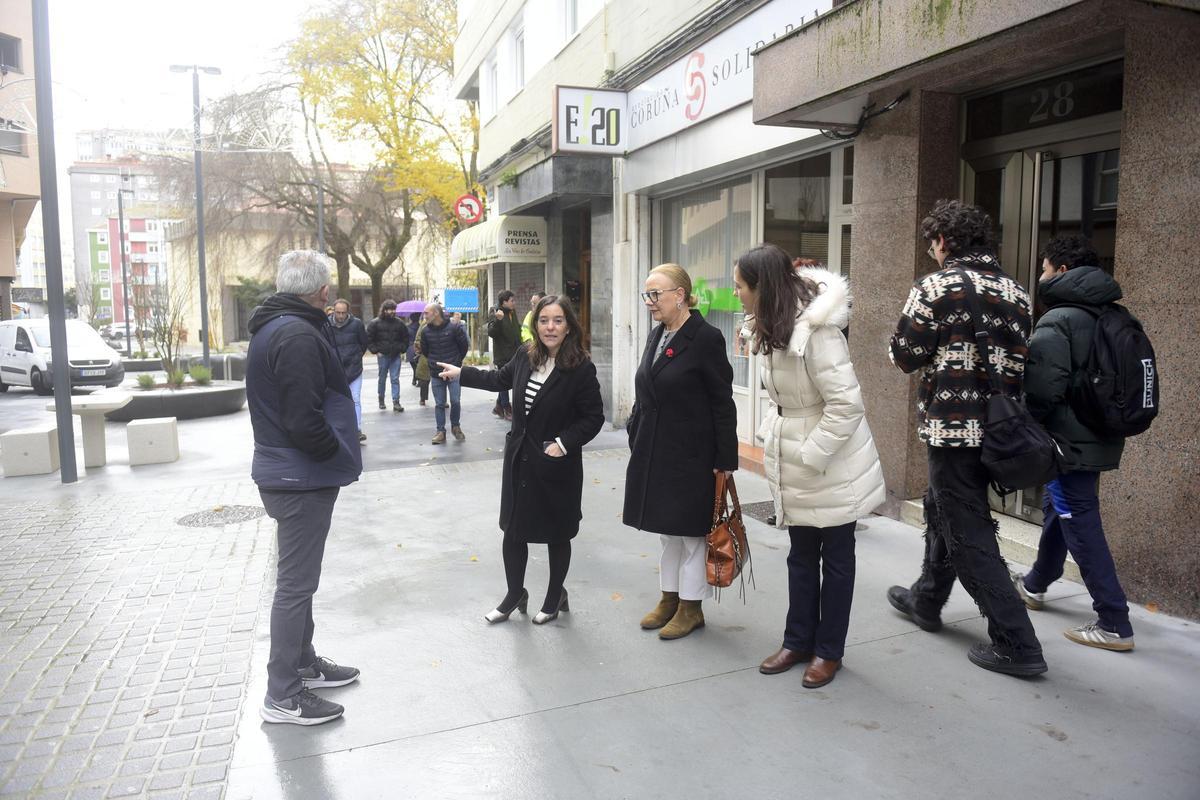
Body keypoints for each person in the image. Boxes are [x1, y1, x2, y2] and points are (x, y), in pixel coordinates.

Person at [886, 199, 1047, 677]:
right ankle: (927, 599)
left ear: (943, 241)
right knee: (943, 510)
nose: (932, 252)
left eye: (932, 243)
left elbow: (907, 354)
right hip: (1000, 432)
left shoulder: (936, 286)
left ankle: (1017, 642)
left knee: (968, 534)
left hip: (953, 429)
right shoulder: (1017, 292)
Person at [733, 244, 886, 688]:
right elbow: (784, 400)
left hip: (830, 465)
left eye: (741, 285)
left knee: (836, 559)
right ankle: (797, 641)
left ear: (763, 287)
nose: (737, 293)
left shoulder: (818, 332)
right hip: (797, 458)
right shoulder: (770, 326)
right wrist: (774, 434)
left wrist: (811, 452)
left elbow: (846, 404)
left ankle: (828, 651)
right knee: (800, 556)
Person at [246, 250, 363, 726]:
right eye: (329, 288)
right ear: (321, 293)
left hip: (291, 473)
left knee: (301, 579)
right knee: (295, 585)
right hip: (299, 476)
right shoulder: (295, 334)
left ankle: (303, 663)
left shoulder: (279, 325)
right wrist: (337, 450)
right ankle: (283, 695)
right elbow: (302, 419)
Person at [438, 296, 604, 624]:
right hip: (520, 460)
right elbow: (499, 379)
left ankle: (555, 595)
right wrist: (461, 373)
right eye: (544, 320)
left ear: (569, 325)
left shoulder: (580, 366)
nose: (550, 327)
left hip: (556, 463)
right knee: (514, 531)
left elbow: (593, 417)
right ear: (535, 324)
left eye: (557, 320)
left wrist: (562, 444)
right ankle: (515, 594)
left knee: (558, 533)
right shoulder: (525, 355)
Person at [1012, 234, 1134, 652]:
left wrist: (1027, 427)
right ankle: (1036, 583)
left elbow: (1044, 388)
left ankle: (1114, 620)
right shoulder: (1114, 314)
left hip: (1067, 439)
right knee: (1058, 507)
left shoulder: (1059, 318)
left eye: (1044, 268)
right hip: (1101, 433)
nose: (1041, 275)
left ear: (1061, 271)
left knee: (1078, 517)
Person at [624, 264, 738, 641]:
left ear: (681, 294)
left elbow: (722, 402)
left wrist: (725, 461)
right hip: (655, 450)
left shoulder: (705, 338)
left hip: (693, 455)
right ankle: (669, 598)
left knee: (691, 536)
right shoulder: (658, 334)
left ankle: (692, 608)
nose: (650, 302)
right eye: (647, 295)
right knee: (667, 534)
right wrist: (634, 429)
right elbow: (647, 389)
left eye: (656, 294)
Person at [419, 303, 470, 444]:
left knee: (455, 401)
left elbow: (464, 346)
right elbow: (425, 350)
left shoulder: (454, 328)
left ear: (436, 313)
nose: (424, 316)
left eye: (426, 313)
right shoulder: (425, 331)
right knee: (440, 404)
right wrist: (433, 363)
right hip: (436, 373)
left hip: (453, 371)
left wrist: (457, 363)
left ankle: (456, 427)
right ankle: (440, 431)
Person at [328, 299, 369, 442]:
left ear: (348, 312)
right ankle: (338, 428)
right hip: (335, 368)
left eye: (343, 313)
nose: (340, 316)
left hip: (354, 367)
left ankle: (357, 429)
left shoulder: (356, 324)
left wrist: (356, 356)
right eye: (338, 312)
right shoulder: (326, 325)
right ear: (333, 311)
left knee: (355, 398)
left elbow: (364, 343)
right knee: (336, 399)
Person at [366, 299, 409, 413]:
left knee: (395, 378)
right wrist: (376, 351)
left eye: (394, 309)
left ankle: (396, 401)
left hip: (395, 355)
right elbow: (369, 338)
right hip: (383, 355)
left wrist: (402, 349)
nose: (392, 312)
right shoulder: (375, 323)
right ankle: (381, 399)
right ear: (384, 310)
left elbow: (405, 338)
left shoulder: (399, 323)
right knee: (382, 378)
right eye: (390, 309)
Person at [487, 290, 522, 420]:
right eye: (512, 301)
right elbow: (491, 332)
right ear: (504, 302)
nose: (514, 303)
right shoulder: (495, 312)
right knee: (504, 381)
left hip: (514, 353)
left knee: (507, 381)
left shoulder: (512, 312)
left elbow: (516, 331)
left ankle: (498, 406)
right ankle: (506, 407)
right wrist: (498, 320)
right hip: (502, 355)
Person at [406, 312, 421, 386]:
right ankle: (416, 379)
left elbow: (406, 338)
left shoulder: (408, 327)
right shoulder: (421, 327)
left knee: (414, 366)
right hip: (419, 347)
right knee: (418, 365)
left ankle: (415, 379)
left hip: (410, 348)